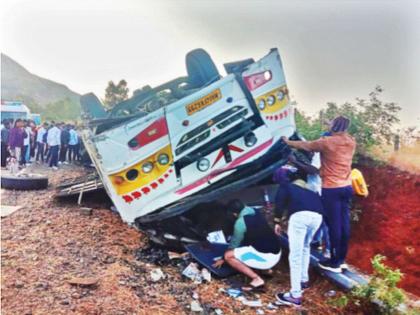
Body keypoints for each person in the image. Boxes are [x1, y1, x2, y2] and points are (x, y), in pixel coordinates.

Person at [282, 116, 356, 273]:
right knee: (344, 224)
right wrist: (332, 125)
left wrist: (288, 142)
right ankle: (341, 259)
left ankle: (334, 262)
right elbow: (338, 130)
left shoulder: (327, 142)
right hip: (347, 187)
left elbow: (306, 145)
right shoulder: (350, 141)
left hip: (332, 189)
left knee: (333, 225)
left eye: (332, 124)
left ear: (334, 126)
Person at [272, 168, 324, 306]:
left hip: (300, 218)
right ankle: (303, 279)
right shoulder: (308, 189)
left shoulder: (285, 186)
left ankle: (295, 295)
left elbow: (279, 204)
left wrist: (277, 221)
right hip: (317, 217)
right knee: (305, 247)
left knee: (294, 255)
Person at [212, 199, 281, 291]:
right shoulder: (255, 212)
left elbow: (234, 244)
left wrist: (223, 259)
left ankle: (257, 279)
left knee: (228, 256)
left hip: (267, 259)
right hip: (277, 251)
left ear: (234, 214)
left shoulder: (240, 223)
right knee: (254, 243)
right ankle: (267, 270)